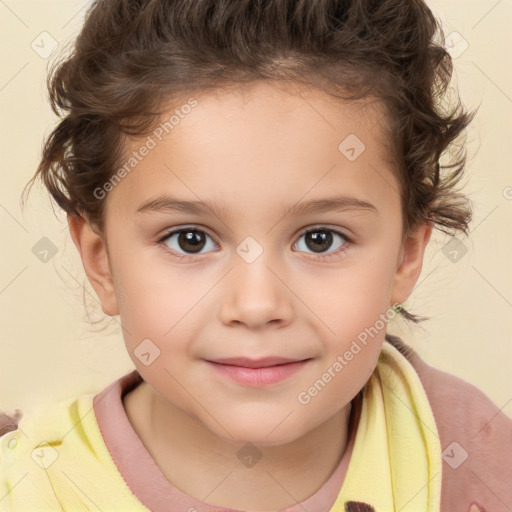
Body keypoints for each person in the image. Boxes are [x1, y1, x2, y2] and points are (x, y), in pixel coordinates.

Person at [1, 0, 511, 511]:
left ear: (405, 256)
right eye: (190, 240)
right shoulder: (25, 487)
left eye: (319, 239)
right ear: (102, 260)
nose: (257, 304)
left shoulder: (475, 461)